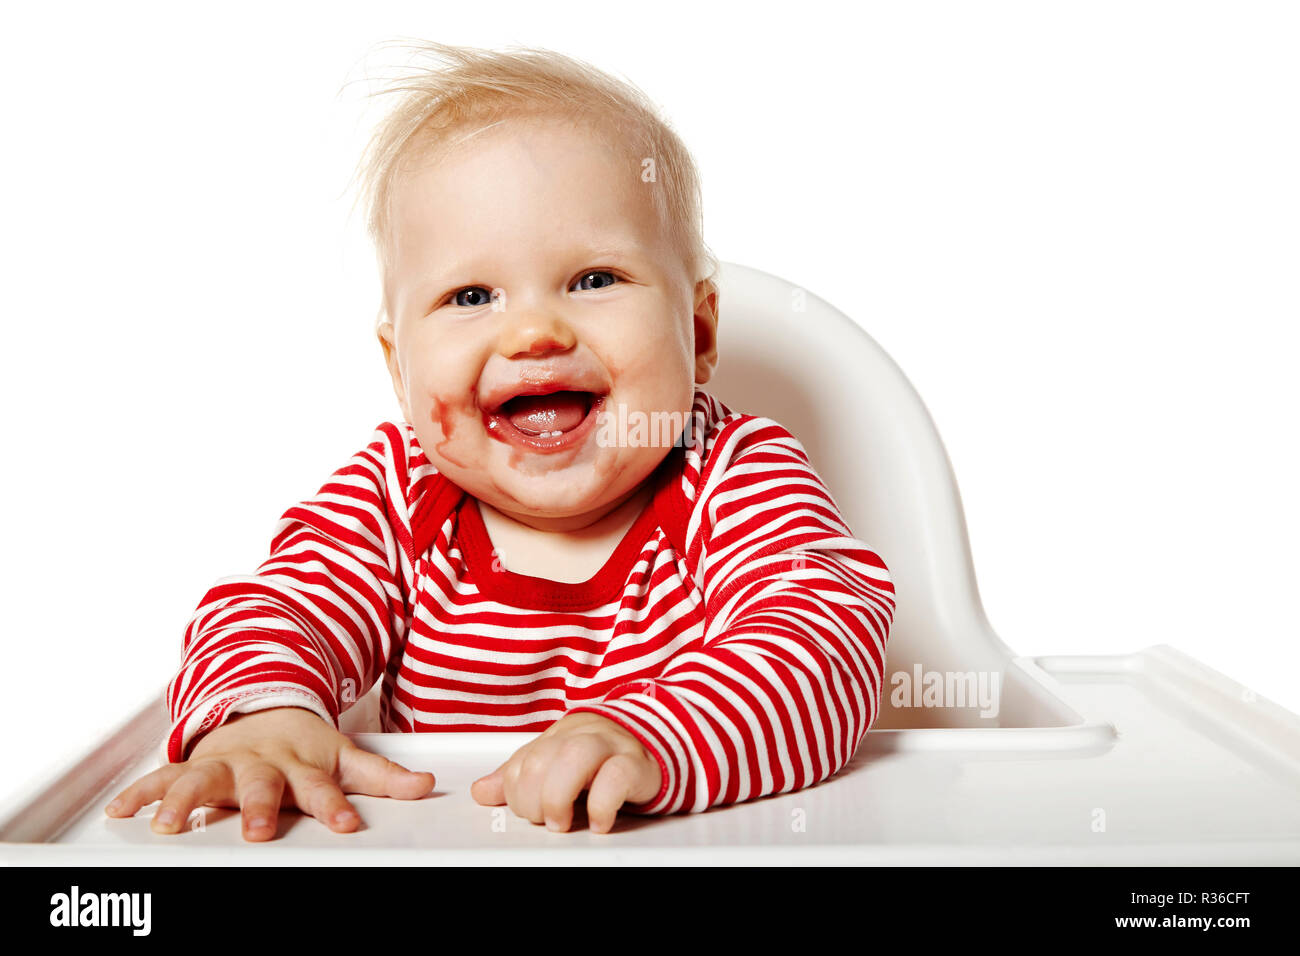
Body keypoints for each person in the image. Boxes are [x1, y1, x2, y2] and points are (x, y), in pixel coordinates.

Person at [104, 40, 895, 841]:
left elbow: (826, 631)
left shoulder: (729, 472)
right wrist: (264, 718)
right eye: (471, 295)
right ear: (398, 367)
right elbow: (282, 605)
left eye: (594, 280)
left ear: (696, 333)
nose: (533, 331)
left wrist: (658, 738)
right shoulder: (399, 490)